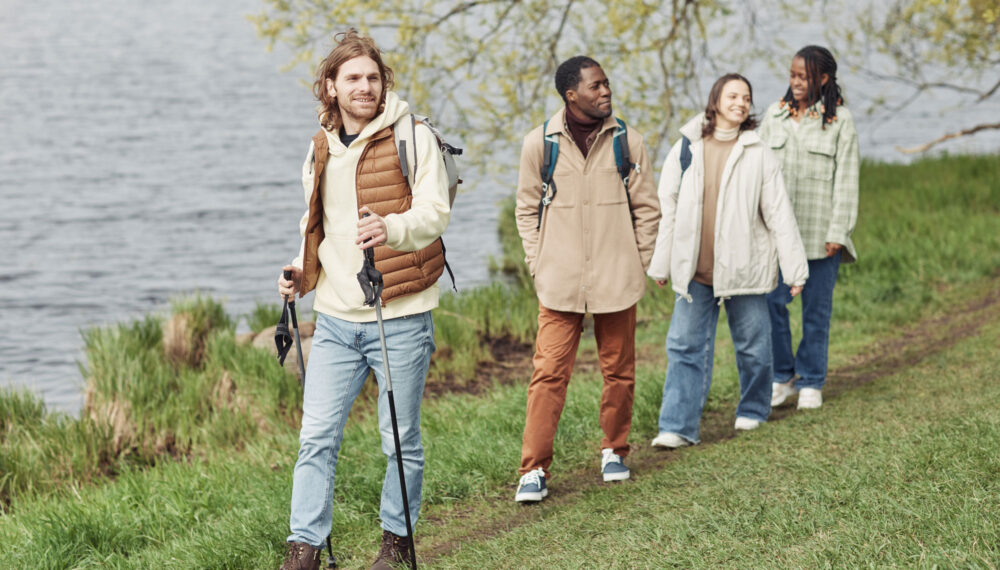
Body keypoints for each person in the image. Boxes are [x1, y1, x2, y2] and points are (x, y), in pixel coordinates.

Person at [276, 30, 450, 570]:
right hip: (333, 320)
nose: (364, 87)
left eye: (372, 77)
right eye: (352, 78)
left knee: (399, 441)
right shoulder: (319, 145)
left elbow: (435, 212)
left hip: (399, 314)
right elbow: (315, 223)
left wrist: (392, 227)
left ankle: (395, 542)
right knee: (316, 437)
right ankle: (303, 549)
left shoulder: (414, 136)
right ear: (330, 86)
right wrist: (298, 275)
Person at [512, 56, 660, 502]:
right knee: (548, 374)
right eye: (596, 86)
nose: (605, 92)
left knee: (619, 372)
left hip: (618, 278)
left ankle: (614, 449)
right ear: (570, 95)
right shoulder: (539, 144)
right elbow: (525, 209)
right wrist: (538, 262)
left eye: (607, 84)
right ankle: (533, 470)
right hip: (559, 282)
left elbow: (648, 210)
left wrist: (643, 261)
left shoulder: (628, 143)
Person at [647, 73, 809, 449]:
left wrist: (795, 269)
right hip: (695, 272)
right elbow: (666, 208)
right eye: (733, 95)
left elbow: (779, 214)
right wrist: (661, 264)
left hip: (745, 269)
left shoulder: (758, 152)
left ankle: (753, 409)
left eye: (746, 97)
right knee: (684, 346)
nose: (740, 102)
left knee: (754, 345)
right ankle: (677, 426)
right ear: (716, 100)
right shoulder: (686, 147)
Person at [760, 45, 859, 410]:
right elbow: (759, 173)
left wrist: (839, 230)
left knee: (816, 311)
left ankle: (812, 380)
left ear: (823, 78)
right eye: (792, 76)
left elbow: (846, 178)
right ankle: (782, 376)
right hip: (779, 235)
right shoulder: (775, 115)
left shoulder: (839, 120)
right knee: (772, 304)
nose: (796, 82)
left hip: (821, 235)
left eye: (803, 77)